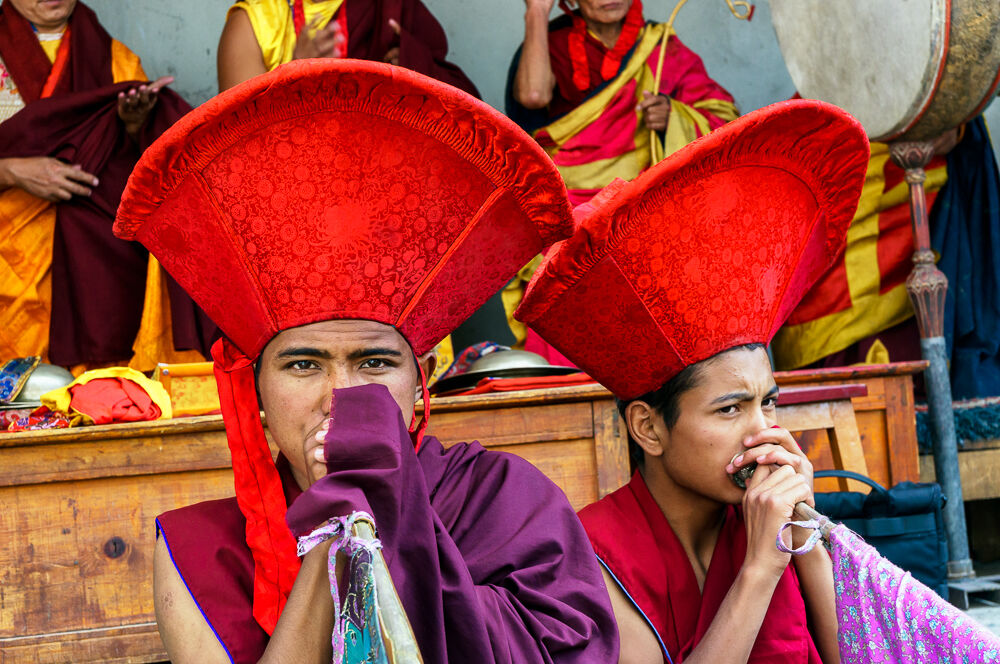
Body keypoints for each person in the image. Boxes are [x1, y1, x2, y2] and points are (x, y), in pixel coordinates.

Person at [114, 60, 618, 663]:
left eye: (374, 363)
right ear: (256, 391)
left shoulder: (503, 499)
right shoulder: (200, 550)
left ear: (422, 378)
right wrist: (338, 527)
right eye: (303, 365)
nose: (340, 394)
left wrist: (393, 522)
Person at [516, 100, 871, 662]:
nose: (763, 434)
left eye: (769, 404)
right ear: (648, 428)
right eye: (730, 410)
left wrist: (803, 536)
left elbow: (851, 655)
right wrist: (759, 568)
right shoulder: (592, 551)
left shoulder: (771, 519)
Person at [0, 0, 214, 369]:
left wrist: (136, 124)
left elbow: (137, 171)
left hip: (97, 265)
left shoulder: (113, 56)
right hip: (10, 261)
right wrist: (10, 171)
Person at [509, 0, 737, 207]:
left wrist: (672, 117)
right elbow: (534, 95)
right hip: (571, 207)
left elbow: (725, 122)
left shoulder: (659, 45)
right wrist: (537, 10)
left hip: (648, 203)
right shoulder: (550, 45)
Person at [217, 0, 478, 96]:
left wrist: (413, 66)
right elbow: (239, 139)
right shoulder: (254, 22)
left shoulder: (387, 9)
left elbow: (466, 106)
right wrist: (296, 72)